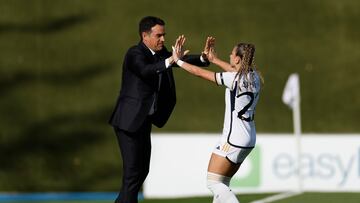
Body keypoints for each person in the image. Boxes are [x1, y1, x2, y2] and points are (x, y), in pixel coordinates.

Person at [108, 16, 209, 203]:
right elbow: (146, 70)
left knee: (141, 171)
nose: (163, 39)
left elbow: (180, 59)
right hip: (128, 122)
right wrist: (171, 59)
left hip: (143, 121)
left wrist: (203, 58)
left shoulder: (160, 53)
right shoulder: (134, 53)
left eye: (164, 35)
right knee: (132, 173)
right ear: (145, 36)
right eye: (158, 35)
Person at [172, 35, 263, 203]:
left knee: (213, 182)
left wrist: (178, 61)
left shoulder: (233, 79)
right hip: (249, 138)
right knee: (223, 182)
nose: (229, 55)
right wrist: (214, 59)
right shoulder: (255, 77)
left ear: (237, 58)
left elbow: (199, 72)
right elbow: (233, 70)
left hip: (233, 139)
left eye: (231, 53)